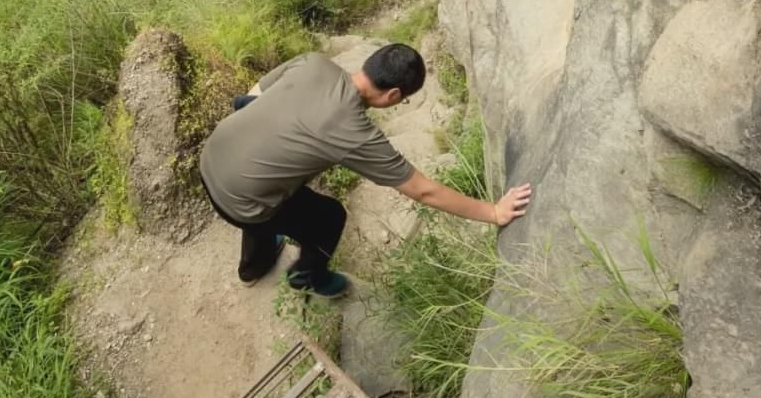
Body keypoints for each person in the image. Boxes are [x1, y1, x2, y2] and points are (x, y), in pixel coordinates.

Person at [199, 42, 533, 299]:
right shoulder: (355, 132)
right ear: (393, 95)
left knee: (268, 185)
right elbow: (422, 189)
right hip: (241, 200)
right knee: (328, 217)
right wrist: (493, 211)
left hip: (213, 157)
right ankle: (308, 277)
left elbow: (251, 96)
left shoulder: (313, 62)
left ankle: (253, 268)